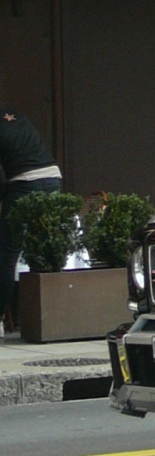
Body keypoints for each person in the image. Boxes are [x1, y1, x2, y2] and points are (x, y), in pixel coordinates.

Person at [0, 109, 62, 328]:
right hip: (53, 177)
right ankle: (48, 320)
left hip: (23, 181)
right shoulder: (16, 116)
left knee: (7, 255)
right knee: (43, 251)